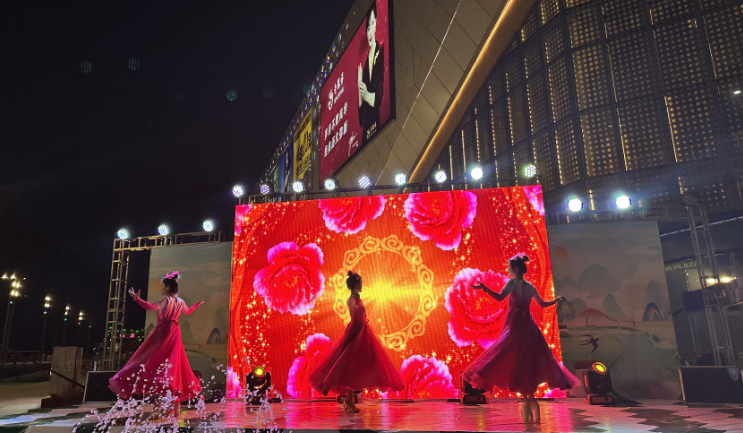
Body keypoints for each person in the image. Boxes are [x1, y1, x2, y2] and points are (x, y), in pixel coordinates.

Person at [463, 255, 579, 423]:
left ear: (516, 269)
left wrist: (485, 288)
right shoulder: (529, 286)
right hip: (528, 324)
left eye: (510, 268)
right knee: (525, 359)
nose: (508, 270)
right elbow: (542, 304)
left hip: (516, 323)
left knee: (507, 353)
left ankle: (527, 401)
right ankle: (530, 402)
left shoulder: (512, 283)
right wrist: (555, 300)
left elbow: (500, 297)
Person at [108, 271, 204, 419]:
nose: (161, 288)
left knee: (156, 366)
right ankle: (175, 410)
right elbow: (188, 311)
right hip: (174, 333)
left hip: (164, 333)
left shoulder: (166, 300)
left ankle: (157, 411)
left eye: (162, 286)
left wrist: (137, 299)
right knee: (173, 368)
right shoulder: (180, 301)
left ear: (167, 288)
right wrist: (196, 305)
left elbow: (149, 307)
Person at [309, 271, 404, 413]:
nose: (362, 286)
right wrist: (358, 305)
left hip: (363, 331)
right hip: (356, 332)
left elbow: (363, 314)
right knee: (352, 366)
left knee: (360, 367)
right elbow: (355, 316)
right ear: (355, 285)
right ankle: (348, 401)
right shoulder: (351, 300)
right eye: (360, 284)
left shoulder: (358, 299)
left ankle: (349, 400)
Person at [357, 2, 385, 147]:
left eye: (372, 24)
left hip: (377, 124)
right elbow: (360, 120)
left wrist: (369, 95)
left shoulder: (381, 50)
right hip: (366, 131)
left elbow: (381, 91)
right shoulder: (363, 66)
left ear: (376, 25)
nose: (369, 31)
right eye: (367, 27)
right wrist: (359, 89)